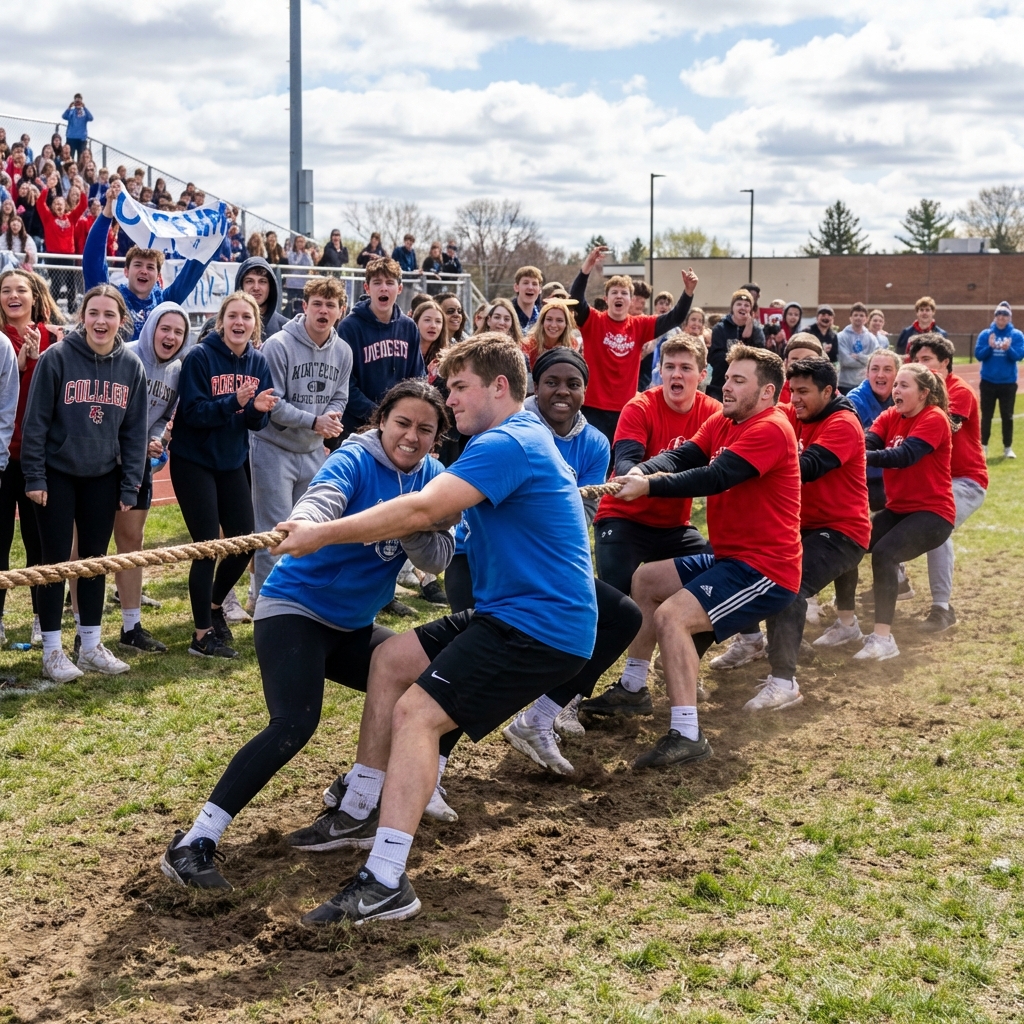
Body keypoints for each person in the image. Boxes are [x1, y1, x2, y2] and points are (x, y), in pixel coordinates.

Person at [265, 336, 598, 926]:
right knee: (390, 660)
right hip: (511, 611)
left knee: (417, 715)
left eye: (459, 386)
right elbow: (429, 514)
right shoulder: (510, 440)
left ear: (500, 386)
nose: (450, 400)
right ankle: (363, 808)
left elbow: (422, 510)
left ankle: (386, 879)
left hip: (541, 625)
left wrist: (321, 532)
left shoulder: (508, 440)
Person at [160, 381, 455, 892]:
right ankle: (194, 841)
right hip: (294, 611)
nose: (411, 436)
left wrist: (412, 520)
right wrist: (304, 523)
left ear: (436, 438)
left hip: (352, 627)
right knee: (294, 724)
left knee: (437, 682)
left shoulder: (434, 481)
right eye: (402, 422)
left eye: (425, 429)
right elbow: (323, 498)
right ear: (381, 420)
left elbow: (439, 559)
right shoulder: (356, 458)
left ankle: (366, 792)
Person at [422, 348, 638, 783]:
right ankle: (433, 768)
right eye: (552, 382)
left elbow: (583, 515)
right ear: (532, 388)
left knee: (621, 616)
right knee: (461, 670)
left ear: (584, 392)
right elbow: (450, 499)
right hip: (481, 559)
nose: (562, 391)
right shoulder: (500, 427)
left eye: (573, 383)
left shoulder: (594, 443)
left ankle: (539, 718)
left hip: (543, 567)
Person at [606, 346, 800, 767]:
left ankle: (687, 733)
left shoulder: (770, 428)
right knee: (647, 580)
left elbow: (715, 476)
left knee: (671, 617)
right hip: (732, 557)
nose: (725, 386)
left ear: (767, 392)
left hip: (765, 569)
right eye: (727, 377)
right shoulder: (726, 419)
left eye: (737, 381)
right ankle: (634, 686)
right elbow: (685, 455)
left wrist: (650, 486)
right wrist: (642, 469)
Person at [578, 335, 720, 720]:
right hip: (624, 517)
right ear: (659, 371)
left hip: (674, 527)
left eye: (685, 368)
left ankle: (658, 671)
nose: (677, 374)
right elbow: (626, 462)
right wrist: (640, 476)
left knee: (721, 585)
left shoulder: (714, 413)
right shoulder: (640, 405)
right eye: (669, 367)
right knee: (615, 605)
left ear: (702, 375)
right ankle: (572, 695)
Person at [21, 285, 148, 682]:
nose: (100, 321)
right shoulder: (57, 358)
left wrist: (129, 486)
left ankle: (91, 645)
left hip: (102, 475)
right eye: (93, 312)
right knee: (54, 561)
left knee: (95, 560)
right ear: (82, 316)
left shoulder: (131, 366)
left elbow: (135, 433)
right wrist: (35, 476)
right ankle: (53, 650)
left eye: (109, 314)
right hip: (57, 473)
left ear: (121, 320)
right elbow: (35, 423)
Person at [741, 358, 870, 710]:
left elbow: (809, 467)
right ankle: (754, 643)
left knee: (788, 586)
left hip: (843, 533)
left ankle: (784, 682)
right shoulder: (792, 413)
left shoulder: (843, 423)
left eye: (803, 392)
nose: (794, 399)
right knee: (748, 561)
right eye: (791, 390)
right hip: (803, 526)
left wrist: (751, 464)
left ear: (828, 392)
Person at [170, 292, 278, 659]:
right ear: (221, 321)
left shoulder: (258, 362)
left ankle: (215, 607)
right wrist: (236, 401)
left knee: (244, 541)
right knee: (206, 546)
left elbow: (255, 420)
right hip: (194, 459)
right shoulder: (200, 357)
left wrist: (258, 410)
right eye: (233, 315)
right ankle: (201, 637)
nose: (239, 322)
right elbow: (195, 414)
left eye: (247, 317)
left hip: (231, 460)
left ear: (254, 324)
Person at [838, 364, 955, 661]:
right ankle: (847, 624)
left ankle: (883, 638)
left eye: (904, 386)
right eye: (896, 385)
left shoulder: (934, 418)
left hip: (934, 514)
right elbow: (869, 442)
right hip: (899, 509)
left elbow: (904, 456)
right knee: (848, 542)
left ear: (924, 393)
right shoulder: (891, 415)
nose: (896, 391)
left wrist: (857, 455)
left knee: (885, 554)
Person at [250, 277, 352, 597]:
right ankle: (265, 600)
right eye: (317, 304)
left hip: (311, 450)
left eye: (330, 305)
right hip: (273, 447)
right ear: (304, 307)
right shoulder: (278, 345)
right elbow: (272, 403)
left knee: (308, 528)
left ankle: (297, 596)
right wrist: (314, 421)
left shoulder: (344, 352)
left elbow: (340, 396)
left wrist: (330, 417)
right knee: (274, 531)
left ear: (340, 311)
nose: (323, 311)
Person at [117, 303, 192, 652]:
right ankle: (81, 628)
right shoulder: (126, 355)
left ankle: (131, 627)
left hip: (138, 466)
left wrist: (156, 438)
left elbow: (162, 418)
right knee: (86, 547)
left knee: (132, 542)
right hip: (102, 463)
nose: (171, 336)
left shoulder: (177, 371)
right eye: (165, 328)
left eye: (178, 331)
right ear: (151, 328)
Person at [570, 245, 698, 444]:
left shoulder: (640, 325)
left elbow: (675, 317)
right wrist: (587, 267)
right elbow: (576, 299)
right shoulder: (593, 321)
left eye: (624, 293)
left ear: (630, 300)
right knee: (594, 463)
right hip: (593, 407)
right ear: (607, 298)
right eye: (614, 292)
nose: (619, 296)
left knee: (620, 462)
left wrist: (688, 292)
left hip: (626, 408)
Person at [907, 334, 988, 632]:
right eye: (916, 360)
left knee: (936, 526)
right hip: (931, 481)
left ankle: (942, 608)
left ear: (945, 363)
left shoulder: (959, 391)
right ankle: (898, 581)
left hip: (965, 481)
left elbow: (943, 430)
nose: (921, 365)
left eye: (927, 360)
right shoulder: (917, 392)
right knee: (888, 512)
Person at [0, 269, 62, 647]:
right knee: (0, 542)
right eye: (5, 290)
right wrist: (19, 364)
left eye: (20, 289)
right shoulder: (0, 341)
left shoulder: (55, 339)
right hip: (4, 457)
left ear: (35, 296)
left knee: (39, 542)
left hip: (39, 460)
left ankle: (42, 617)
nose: (13, 296)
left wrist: (36, 361)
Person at [83, 180, 215, 340]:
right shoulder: (113, 299)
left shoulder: (165, 302)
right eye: (138, 265)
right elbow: (93, 262)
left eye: (150, 267)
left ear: (158, 275)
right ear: (126, 271)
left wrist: (216, 233)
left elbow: (193, 269)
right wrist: (107, 214)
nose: (144, 271)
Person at [339, 256, 425, 435]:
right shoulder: (349, 326)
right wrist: (380, 415)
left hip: (399, 425)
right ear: (367, 288)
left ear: (399, 288)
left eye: (390, 282)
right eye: (377, 282)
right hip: (358, 427)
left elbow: (417, 379)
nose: (383, 287)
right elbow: (345, 385)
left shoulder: (409, 327)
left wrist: (399, 415)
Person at [846, 349, 900, 512]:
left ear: (898, 375)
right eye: (875, 369)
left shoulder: (903, 398)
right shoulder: (855, 402)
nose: (880, 375)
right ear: (867, 374)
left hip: (892, 476)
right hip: (864, 480)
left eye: (887, 369)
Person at [200, 254, 290, 344]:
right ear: (240, 285)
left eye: (262, 281)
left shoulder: (284, 329)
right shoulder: (215, 326)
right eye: (249, 281)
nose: (256, 287)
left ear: (271, 287)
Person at [974, 301, 1023, 459]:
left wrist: (1008, 349)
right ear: (995, 317)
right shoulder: (985, 334)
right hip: (988, 382)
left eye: (1005, 314)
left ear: (1009, 317)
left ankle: (1007, 447)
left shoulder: (1016, 335)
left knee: (1007, 416)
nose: (1001, 317)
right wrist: (989, 346)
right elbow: (979, 355)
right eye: (998, 314)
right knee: (986, 415)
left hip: (1008, 383)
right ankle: (983, 447)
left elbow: (1019, 356)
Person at [706, 290, 765, 401]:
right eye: (739, 304)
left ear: (751, 310)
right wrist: (740, 357)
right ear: (732, 308)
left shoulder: (757, 330)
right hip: (720, 384)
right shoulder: (720, 328)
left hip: (746, 387)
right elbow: (715, 357)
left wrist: (748, 334)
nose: (742, 307)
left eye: (746, 305)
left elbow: (760, 357)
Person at [837, 302, 880, 394]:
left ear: (866, 319)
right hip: (845, 383)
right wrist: (866, 362)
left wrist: (859, 357)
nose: (858, 317)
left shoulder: (872, 338)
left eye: (861, 315)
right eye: (855, 315)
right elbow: (845, 361)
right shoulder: (841, 337)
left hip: (865, 383)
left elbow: (875, 359)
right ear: (850, 318)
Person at [523, 299, 578, 367]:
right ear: (542, 322)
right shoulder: (527, 346)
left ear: (566, 324)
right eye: (549, 319)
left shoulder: (572, 344)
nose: (553, 325)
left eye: (559, 320)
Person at [35, 184, 87, 255]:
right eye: (56, 204)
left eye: (61, 204)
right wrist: (47, 187)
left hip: (69, 255)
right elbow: (40, 203)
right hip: (52, 254)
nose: (59, 205)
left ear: (65, 206)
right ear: (53, 207)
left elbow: (83, 205)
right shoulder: (47, 217)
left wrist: (82, 191)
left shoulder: (71, 217)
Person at [284, 236, 312, 314]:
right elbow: (292, 264)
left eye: (302, 242)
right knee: (291, 303)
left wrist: (306, 255)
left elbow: (309, 266)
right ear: (295, 243)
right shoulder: (291, 253)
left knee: (301, 304)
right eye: (298, 241)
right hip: (292, 283)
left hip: (302, 283)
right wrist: (299, 255)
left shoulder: (306, 255)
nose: (300, 244)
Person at [512, 265, 543, 335]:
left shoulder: (544, 316)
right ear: (516, 287)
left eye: (534, 284)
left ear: (540, 289)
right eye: (525, 283)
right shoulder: (507, 314)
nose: (530, 287)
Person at [61, 95, 93, 161]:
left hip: (81, 139)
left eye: (79, 101)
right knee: (70, 157)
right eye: (76, 101)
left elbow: (91, 118)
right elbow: (64, 116)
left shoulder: (84, 112)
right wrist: (69, 107)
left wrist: (84, 107)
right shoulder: (71, 111)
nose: (78, 103)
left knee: (81, 158)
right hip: (71, 137)